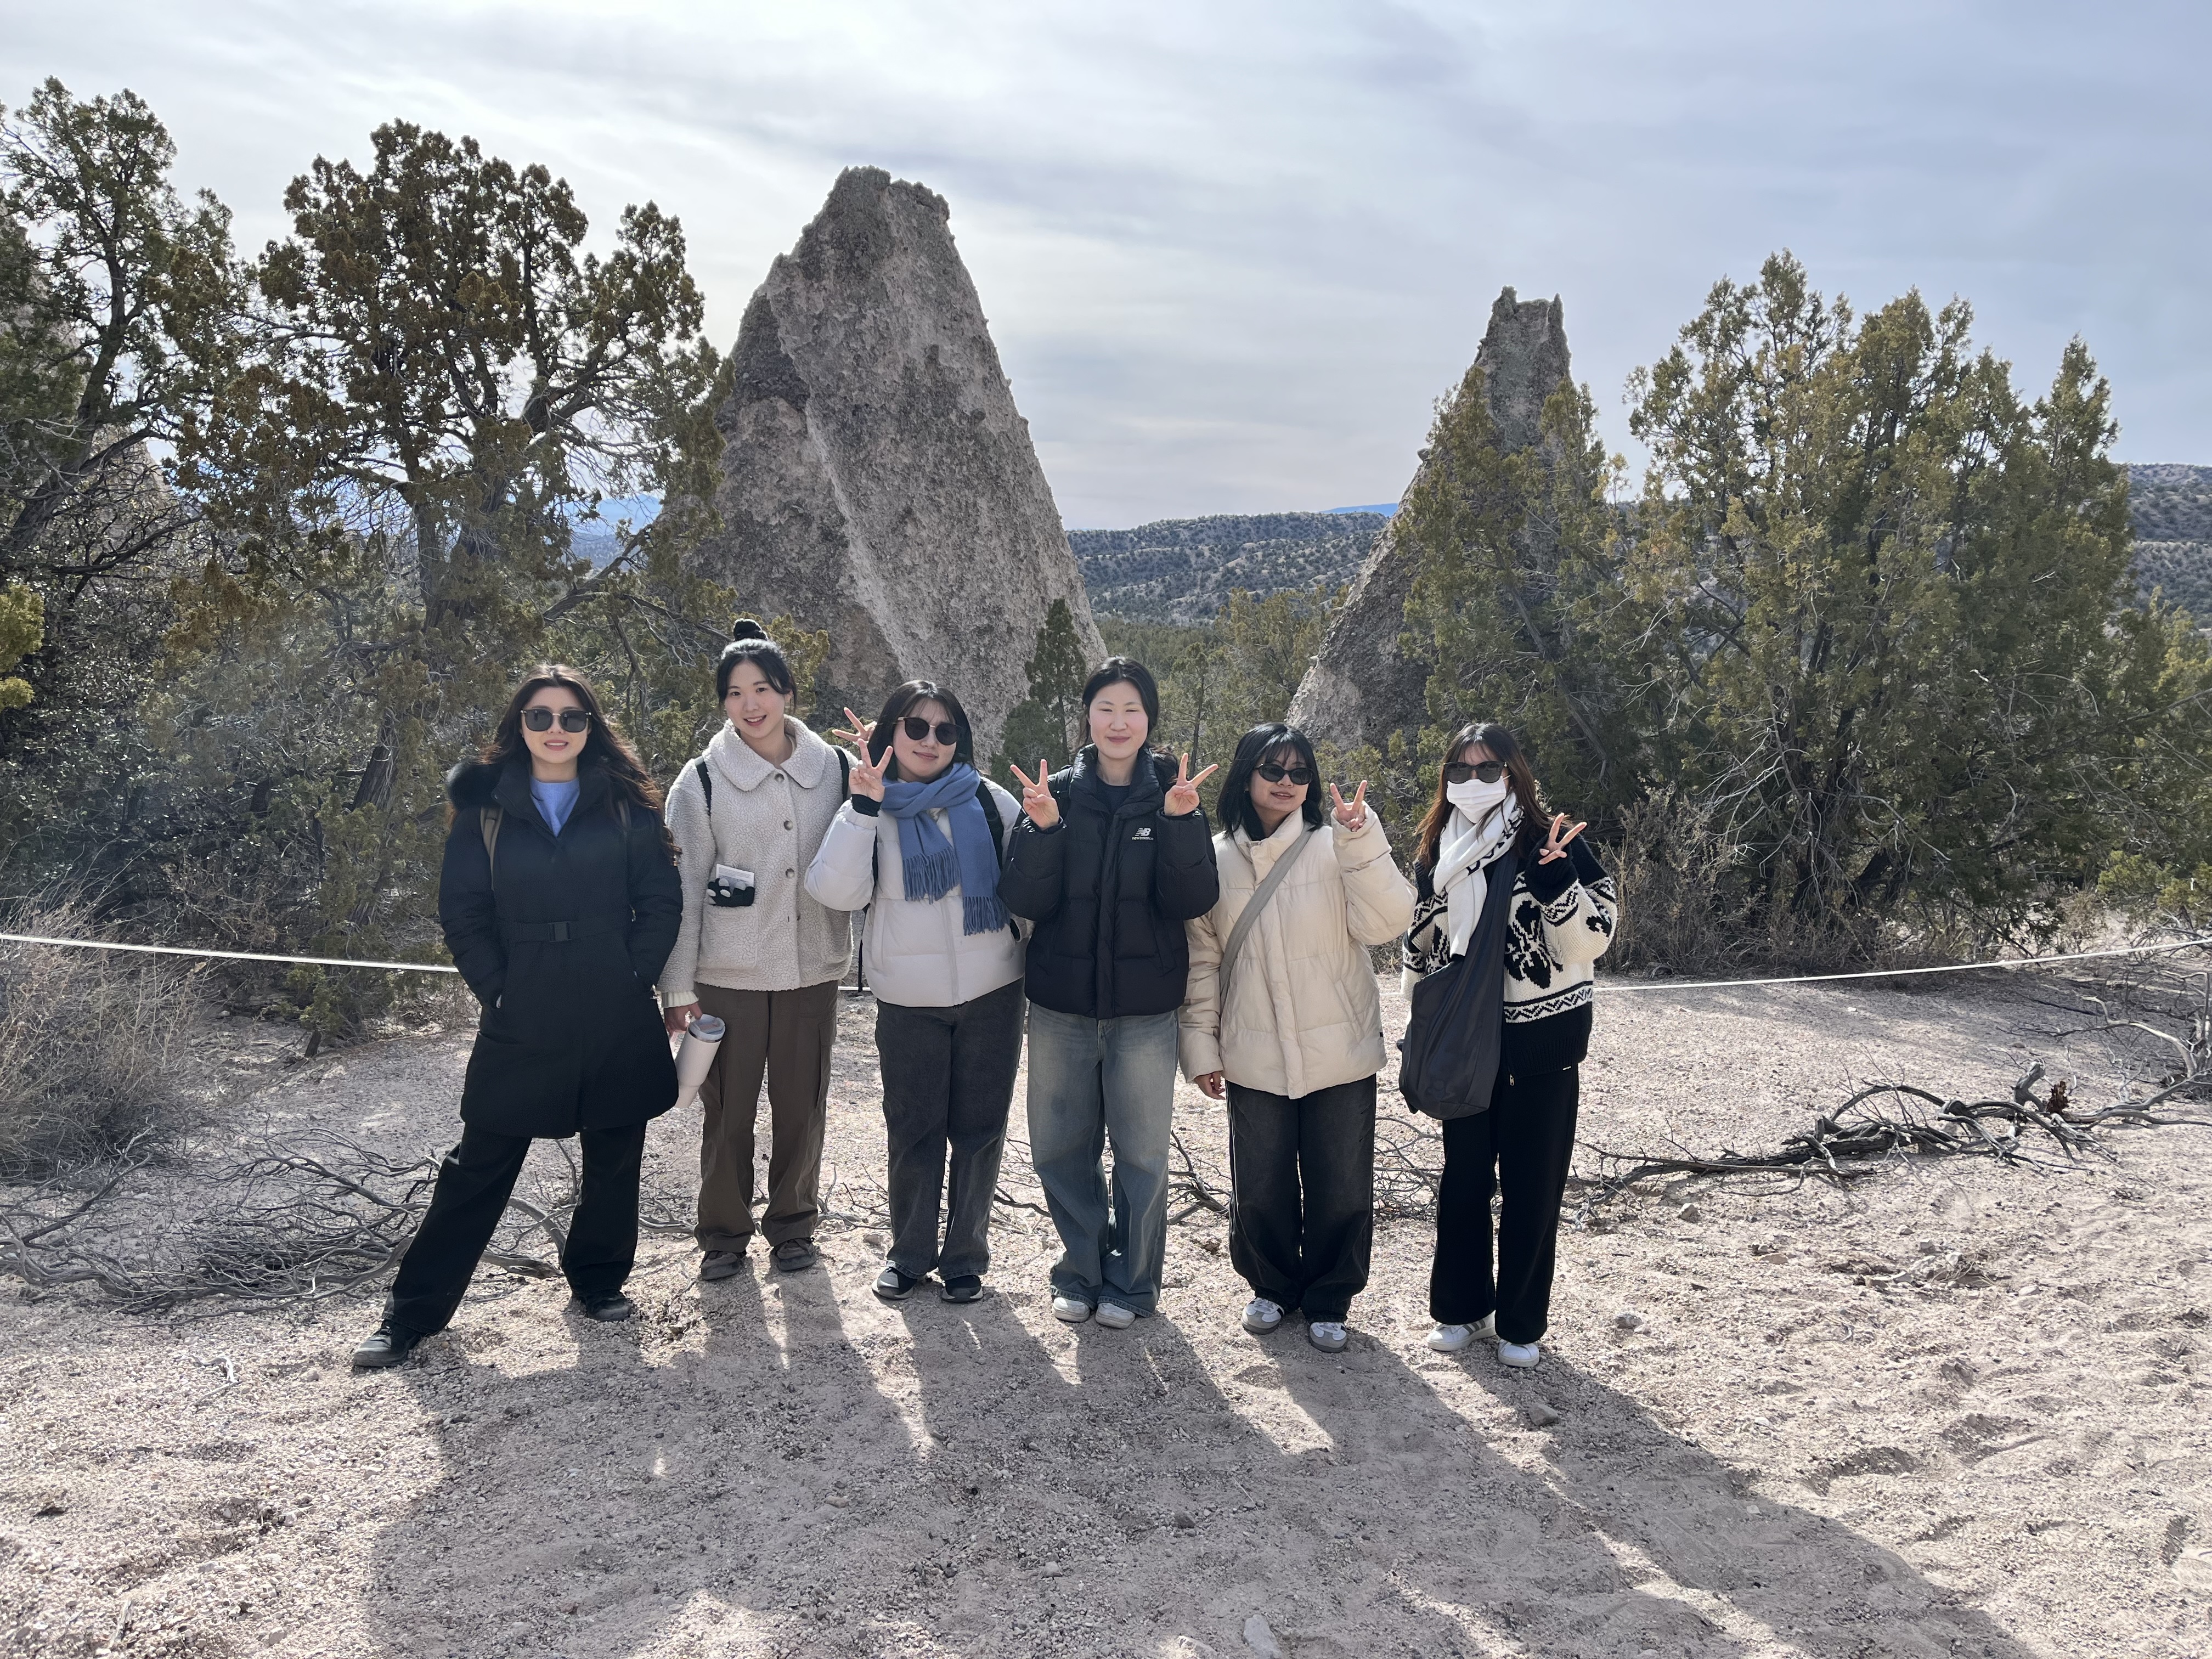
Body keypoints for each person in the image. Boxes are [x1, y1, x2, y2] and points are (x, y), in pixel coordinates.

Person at [352, 666, 682, 1367]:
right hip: (524, 997)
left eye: (572, 718)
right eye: (541, 717)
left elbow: (660, 900)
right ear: (519, 726)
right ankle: (411, 1316)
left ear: (591, 728)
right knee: (481, 1162)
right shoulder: (486, 809)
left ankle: (598, 1284)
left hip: (611, 992)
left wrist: (635, 974)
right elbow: (463, 911)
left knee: (615, 1152)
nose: (557, 730)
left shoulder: (629, 802)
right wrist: (497, 988)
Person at [999, 658, 1220, 1329]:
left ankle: (1132, 1284)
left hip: (1144, 1012)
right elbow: (1023, 898)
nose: (1118, 722)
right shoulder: (1057, 795)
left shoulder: (1172, 799)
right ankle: (1081, 1270)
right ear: (1087, 718)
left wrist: (1182, 824)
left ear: (1149, 721)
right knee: (1060, 1146)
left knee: (1144, 1152)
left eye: (1132, 709)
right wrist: (1042, 830)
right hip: (1063, 1005)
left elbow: (1193, 899)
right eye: (1105, 708)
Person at [1181, 724, 1414, 1352]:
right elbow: (1202, 961)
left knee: (1342, 1183)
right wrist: (1200, 1047)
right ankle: (1272, 1286)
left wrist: (1363, 840)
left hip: (1338, 1048)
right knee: (1259, 1183)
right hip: (1252, 1050)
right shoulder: (1215, 856)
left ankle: (1331, 1297)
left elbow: (1390, 921)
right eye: (1272, 769)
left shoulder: (1338, 845)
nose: (1286, 783)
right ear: (1246, 775)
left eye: (1298, 772)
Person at [1401, 722, 1617, 1369]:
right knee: (1463, 1182)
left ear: (1514, 772)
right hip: (1466, 1045)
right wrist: (1419, 1021)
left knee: (1534, 1188)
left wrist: (1556, 887)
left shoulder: (1555, 844)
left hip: (1542, 1047)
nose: (1473, 783)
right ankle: (1461, 1309)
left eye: (1487, 769)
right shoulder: (1439, 850)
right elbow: (1418, 949)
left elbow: (1593, 941)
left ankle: (1522, 1322)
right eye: (1460, 771)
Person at [805, 681, 1025, 1305]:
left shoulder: (989, 800)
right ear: (891, 734)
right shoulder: (871, 807)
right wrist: (862, 809)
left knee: (981, 1131)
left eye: (945, 730)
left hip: (994, 990)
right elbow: (834, 892)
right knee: (913, 1129)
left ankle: (964, 1259)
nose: (931, 741)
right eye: (917, 727)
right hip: (908, 998)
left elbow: (1031, 882)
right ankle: (909, 1255)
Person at [659, 619, 852, 1279]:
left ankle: (793, 1226)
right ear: (722, 704)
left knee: (804, 1105)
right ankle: (723, 1234)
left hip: (811, 969)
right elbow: (682, 888)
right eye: (736, 692)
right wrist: (676, 985)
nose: (751, 704)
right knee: (728, 1110)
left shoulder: (835, 769)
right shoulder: (702, 781)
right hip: (727, 974)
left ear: (790, 694)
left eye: (763, 688)